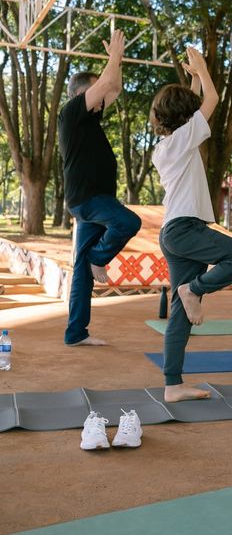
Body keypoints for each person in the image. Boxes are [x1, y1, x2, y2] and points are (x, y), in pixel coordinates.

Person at [151, 46, 232, 403]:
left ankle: (172, 385)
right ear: (186, 118)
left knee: (181, 316)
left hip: (174, 232)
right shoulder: (183, 140)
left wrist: (193, 79)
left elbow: (196, 103)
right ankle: (195, 288)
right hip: (185, 229)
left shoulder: (169, 144)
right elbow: (211, 100)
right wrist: (203, 69)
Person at [58, 29, 141, 346]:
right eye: (97, 91)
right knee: (128, 222)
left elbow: (114, 87)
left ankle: (76, 333)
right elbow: (106, 85)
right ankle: (99, 258)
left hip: (95, 200)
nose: (105, 97)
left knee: (80, 270)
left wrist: (115, 63)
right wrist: (114, 57)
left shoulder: (90, 119)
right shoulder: (72, 113)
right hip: (88, 199)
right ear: (82, 94)